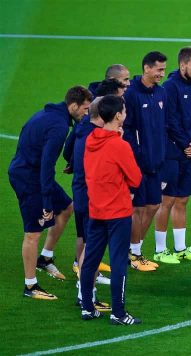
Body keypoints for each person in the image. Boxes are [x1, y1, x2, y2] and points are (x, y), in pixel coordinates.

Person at [9, 85, 92, 299]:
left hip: (31, 172)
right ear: (73, 106)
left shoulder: (52, 114)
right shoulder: (58, 126)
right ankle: (30, 286)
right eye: (84, 108)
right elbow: (47, 166)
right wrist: (46, 203)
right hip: (29, 179)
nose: (87, 113)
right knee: (33, 232)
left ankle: (44, 258)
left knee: (66, 207)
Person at [81, 95, 142, 324]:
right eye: (124, 111)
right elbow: (135, 179)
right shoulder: (119, 145)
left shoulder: (90, 139)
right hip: (117, 213)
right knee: (118, 263)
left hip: (96, 210)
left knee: (91, 261)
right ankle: (118, 313)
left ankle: (87, 307)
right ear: (118, 116)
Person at [153, 46, 191, 264]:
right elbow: (170, 120)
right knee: (167, 200)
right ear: (183, 65)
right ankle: (159, 249)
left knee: (183, 199)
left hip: (189, 151)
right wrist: (186, 143)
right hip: (173, 152)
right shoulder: (170, 87)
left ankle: (181, 248)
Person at [123, 51, 168, 272]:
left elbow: (163, 126)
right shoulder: (131, 94)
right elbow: (127, 129)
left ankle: (134, 249)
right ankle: (133, 253)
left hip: (156, 162)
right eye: (159, 69)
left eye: (163, 69)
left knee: (153, 205)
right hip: (138, 163)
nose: (162, 73)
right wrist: (137, 154)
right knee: (137, 209)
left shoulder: (161, 93)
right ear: (146, 68)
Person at [71, 98, 111, 311]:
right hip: (91, 198)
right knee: (92, 247)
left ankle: (86, 292)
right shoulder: (93, 136)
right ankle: (85, 295)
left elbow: (69, 153)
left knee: (87, 243)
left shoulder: (81, 130)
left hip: (81, 194)